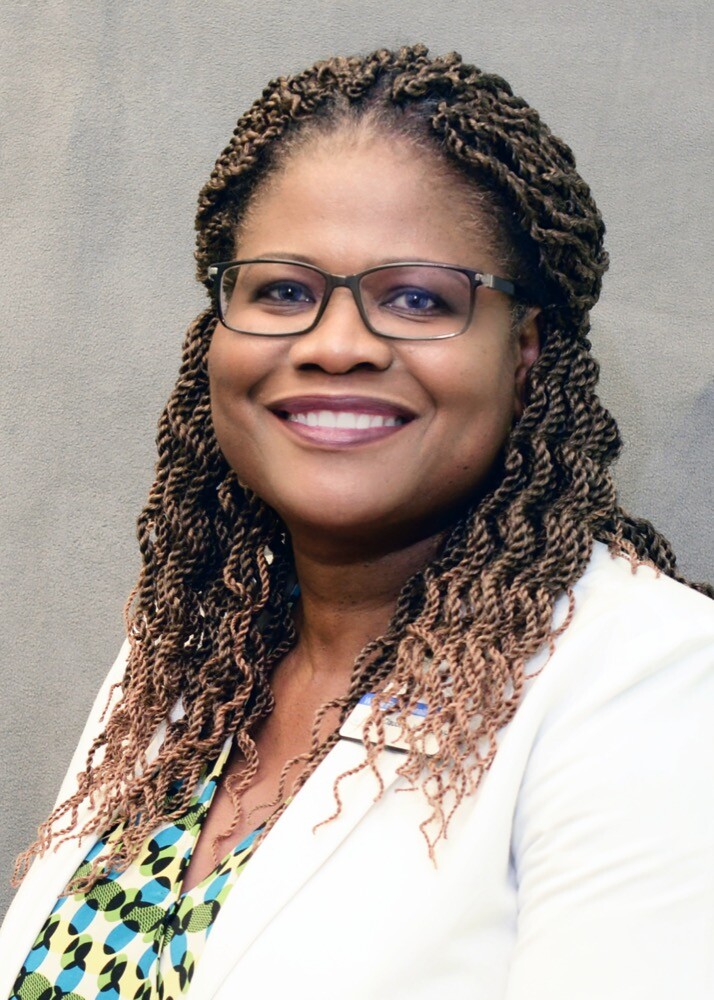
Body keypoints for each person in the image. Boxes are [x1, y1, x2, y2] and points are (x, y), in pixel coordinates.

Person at [1, 43, 712, 1000]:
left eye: (418, 298)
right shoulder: (183, 657)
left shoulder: (656, 681)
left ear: (528, 352)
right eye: (284, 291)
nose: (337, 345)